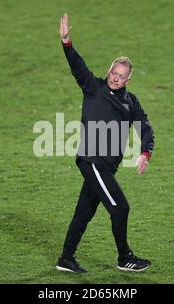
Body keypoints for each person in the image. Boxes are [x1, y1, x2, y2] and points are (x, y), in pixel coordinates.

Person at [56, 13, 155, 273]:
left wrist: (145, 153)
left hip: (106, 167)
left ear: (127, 80)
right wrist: (66, 42)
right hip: (93, 161)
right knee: (120, 207)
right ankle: (125, 258)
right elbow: (77, 66)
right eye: (114, 72)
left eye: (121, 76)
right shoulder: (94, 87)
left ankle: (66, 259)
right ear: (109, 70)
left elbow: (144, 127)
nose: (115, 78)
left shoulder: (130, 102)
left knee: (83, 213)